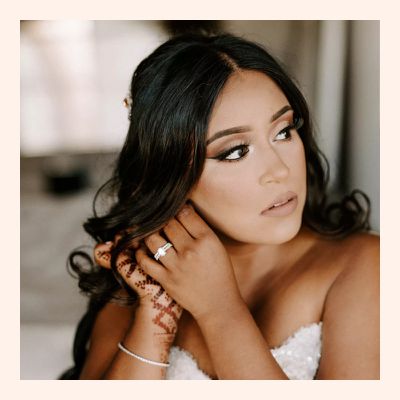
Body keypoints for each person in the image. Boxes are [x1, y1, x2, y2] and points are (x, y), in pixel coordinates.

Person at [60, 33, 379, 380]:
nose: (280, 170)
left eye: (284, 132)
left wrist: (220, 310)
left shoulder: (365, 266)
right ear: (172, 177)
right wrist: (155, 316)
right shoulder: (139, 281)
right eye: (235, 151)